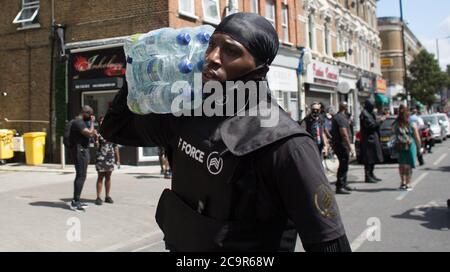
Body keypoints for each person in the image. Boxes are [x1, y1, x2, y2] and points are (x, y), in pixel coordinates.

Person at [101, 13, 350, 252]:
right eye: (211, 45)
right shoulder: (188, 112)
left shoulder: (286, 144)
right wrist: (136, 73)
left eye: (231, 51)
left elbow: (328, 242)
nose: (213, 57)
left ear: (260, 68)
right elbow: (115, 129)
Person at [68, 106, 97, 212]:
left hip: (81, 151)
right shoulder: (78, 122)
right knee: (81, 175)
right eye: (90, 115)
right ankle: (75, 202)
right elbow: (89, 133)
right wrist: (92, 122)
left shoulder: (79, 122)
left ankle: (77, 199)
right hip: (79, 151)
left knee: (81, 175)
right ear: (85, 113)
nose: (91, 117)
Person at [393, 106, 421, 190]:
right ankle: (408, 183)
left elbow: (393, 133)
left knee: (401, 165)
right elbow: (416, 137)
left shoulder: (396, 124)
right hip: (410, 146)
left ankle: (403, 182)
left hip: (400, 145)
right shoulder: (412, 123)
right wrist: (419, 147)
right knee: (408, 165)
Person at [94, 116, 119, 205]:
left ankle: (107, 196)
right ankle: (98, 197)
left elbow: (115, 147)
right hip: (101, 157)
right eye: (100, 121)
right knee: (100, 177)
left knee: (108, 177)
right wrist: (96, 139)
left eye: (103, 121)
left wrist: (118, 160)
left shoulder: (112, 132)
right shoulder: (97, 132)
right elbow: (96, 147)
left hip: (110, 157)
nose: (102, 122)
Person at [331, 102, 354, 194]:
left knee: (345, 164)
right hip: (341, 145)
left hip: (339, 145)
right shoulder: (340, 118)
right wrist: (350, 146)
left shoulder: (338, 117)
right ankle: (340, 186)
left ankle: (344, 183)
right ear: (345, 108)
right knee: (343, 165)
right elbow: (344, 134)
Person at [359, 99, 384, 183]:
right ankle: (368, 176)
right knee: (368, 158)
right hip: (368, 139)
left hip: (373, 138)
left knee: (373, 157)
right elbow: (370, 125)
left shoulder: (370, 113)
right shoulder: (364, 114)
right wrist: (379, 121)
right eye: (372, 106)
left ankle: (372, 174)